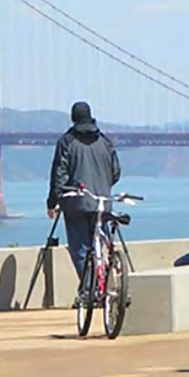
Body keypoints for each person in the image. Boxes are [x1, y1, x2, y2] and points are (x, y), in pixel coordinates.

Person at [46, 101, 121, 279]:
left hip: (76, 204)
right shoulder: (105, 141)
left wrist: (52, 203)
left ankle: (89, 290)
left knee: (80, 249)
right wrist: (103, 186)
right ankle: (104, 286)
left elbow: (59, 175)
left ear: (73, 118)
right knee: (99, 247)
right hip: (102, 204)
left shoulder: (67, 141)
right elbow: (115, 172)